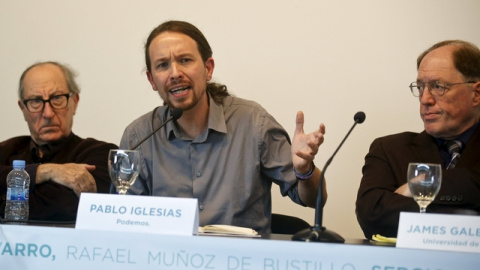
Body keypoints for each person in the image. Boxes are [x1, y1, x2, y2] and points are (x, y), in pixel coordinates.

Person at [119, 20, 327, 233]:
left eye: (185, 60)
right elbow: (123, 224)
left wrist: (305, 171)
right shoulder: (138, 137)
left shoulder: (254, 123)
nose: (175, 73)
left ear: (208, 69)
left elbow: (314, 199)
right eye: (162, 65)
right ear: (151, 79)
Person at [356, 40, 480, 239]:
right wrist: (468, 221)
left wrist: (419, 187)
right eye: (420, 87)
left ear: (476, 93)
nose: (425, 99)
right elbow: (373, 215)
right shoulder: (389, 149)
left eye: (438, 86)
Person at [0, 61, 118, 221]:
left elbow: (63, 206)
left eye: (57, 98)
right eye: (35, 101)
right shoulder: (5, 150)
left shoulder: (101, 155)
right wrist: (44, 172)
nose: (48, 113)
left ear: (74, 102)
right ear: (23, 109)